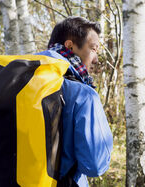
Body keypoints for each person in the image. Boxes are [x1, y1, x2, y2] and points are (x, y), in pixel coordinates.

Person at [36, 17, 113, 186]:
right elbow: (95, 165)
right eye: (93, 49)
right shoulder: (83, 94)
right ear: (70, 46)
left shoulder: (24, 81)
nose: (96, 59)